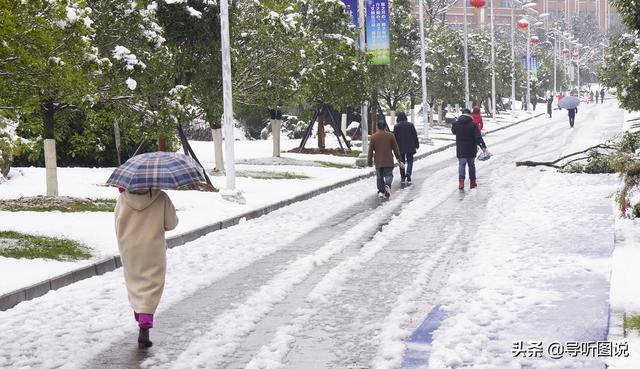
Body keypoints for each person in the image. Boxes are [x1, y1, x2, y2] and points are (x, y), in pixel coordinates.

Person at [115, 188, 179, 348]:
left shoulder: (122, 198)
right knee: (152, 283)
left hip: (129, 247)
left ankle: (140, 314)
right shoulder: (161, 197)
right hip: (153, 247)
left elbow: (117, 223)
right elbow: (171, 223)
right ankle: (145, 320)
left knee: (134, 281)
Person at [452, 109, 487, 190]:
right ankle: (472, 183)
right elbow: (478, 137)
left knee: (462, 164)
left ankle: (461, 182)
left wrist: (454, 123)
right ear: (470, 115)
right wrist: (483, 147)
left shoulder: (456, 124)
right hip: (471, 148)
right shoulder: (473, 124)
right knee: (471, 165)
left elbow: (453, 132)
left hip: (461, 149)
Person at [368, 119, 402, 198]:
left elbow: (370, 151)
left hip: (378, 161)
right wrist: (398, 158)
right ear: (385, 127)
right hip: (388, 160)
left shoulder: (373, 137)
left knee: (379, 177)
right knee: (389, 175)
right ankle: (387, 185)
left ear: (377, 127)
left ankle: (381, 191)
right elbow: (395, 148)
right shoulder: (391, 136)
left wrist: (369, 161)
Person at [393, 112, 419, 184]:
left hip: (400, 147)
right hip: (410, 146)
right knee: (410, 161)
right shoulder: (410, 125)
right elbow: (414, 136)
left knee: (401, 162)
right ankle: (408, 172)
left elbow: (394, 138)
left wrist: (394, 148)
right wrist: (417, 145)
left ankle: (403, 177)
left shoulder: (396, 126)